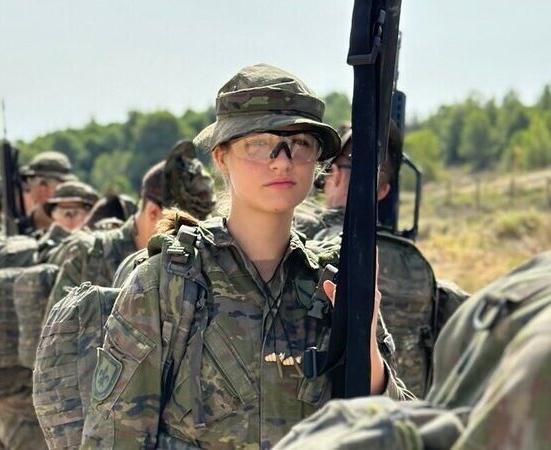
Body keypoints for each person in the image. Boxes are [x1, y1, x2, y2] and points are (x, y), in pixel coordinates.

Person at [81, 64, 409, 449]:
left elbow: (401, 432)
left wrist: (367, 354)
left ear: (317, 160)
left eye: (300, 143)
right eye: (258, 143)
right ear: (221, 157)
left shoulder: (334, 283)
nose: (282, 160)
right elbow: (112, 439)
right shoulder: (167, 284)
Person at [273, 251, 551, 450]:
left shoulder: (342, 263)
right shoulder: (517, 293)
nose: (280, 164)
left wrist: (365, 347)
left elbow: (435, 416)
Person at [298, 124, 470, 397]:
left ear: (332, 175)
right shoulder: (411, 261)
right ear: (384, 191)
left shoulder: (309, 243)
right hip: (407, 422)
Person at [48, 140, 215, 307]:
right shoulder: (87, 258)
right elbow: (56, 329)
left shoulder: (198, 264)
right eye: (183, 228)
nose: (191, 239)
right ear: (153, 213)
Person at [36, 180, 99, 264]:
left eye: (75, 212)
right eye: (63, 212)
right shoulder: (43, 244)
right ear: (53, 214)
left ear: (88, 215)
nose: (69, 218)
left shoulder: (97, 239)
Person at [19, 151, 78, 236]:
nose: (42, 188)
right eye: (36, 181)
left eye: (51, 182)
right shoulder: (17, 230)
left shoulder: (76, 229)